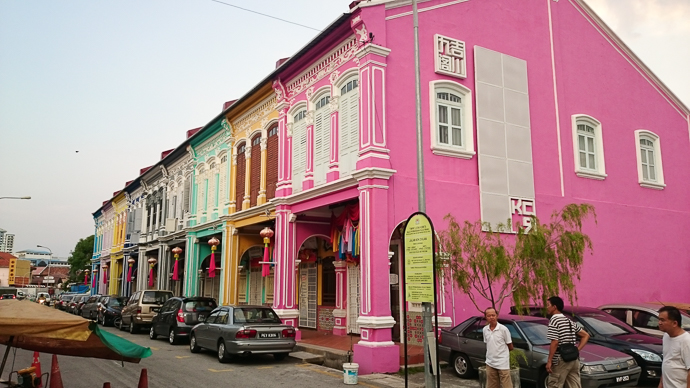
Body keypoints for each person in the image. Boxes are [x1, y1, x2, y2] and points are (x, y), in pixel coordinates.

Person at [546, 296, 590, 388]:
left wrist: (549, 360)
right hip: (574, 359)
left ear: (554, 307)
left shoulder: (554, 320)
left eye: (548, 305)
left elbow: (555, 342)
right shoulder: (568, 320)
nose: (547, 307)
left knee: (555, 384)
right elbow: (585, 335)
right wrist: (577, 349)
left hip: (561, 359)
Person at [658, 306, 690, 388]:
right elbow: (666, 361)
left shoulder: (686, 341)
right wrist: (661, 384)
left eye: (663, 320)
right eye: (659, 319)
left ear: (675, 323)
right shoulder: (666, 337)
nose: (659, 323)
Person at [483, 307, 513, 388]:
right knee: (491, 385)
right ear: (486, 317)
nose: (491, 317)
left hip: (503, 363)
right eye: (489, 316)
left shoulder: (503, 329)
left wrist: (502, 355)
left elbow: (510, 346)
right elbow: (488, 344)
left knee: (507, 385)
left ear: (497, 316)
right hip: (490, 362)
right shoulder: (485, 330)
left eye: (493, 315)